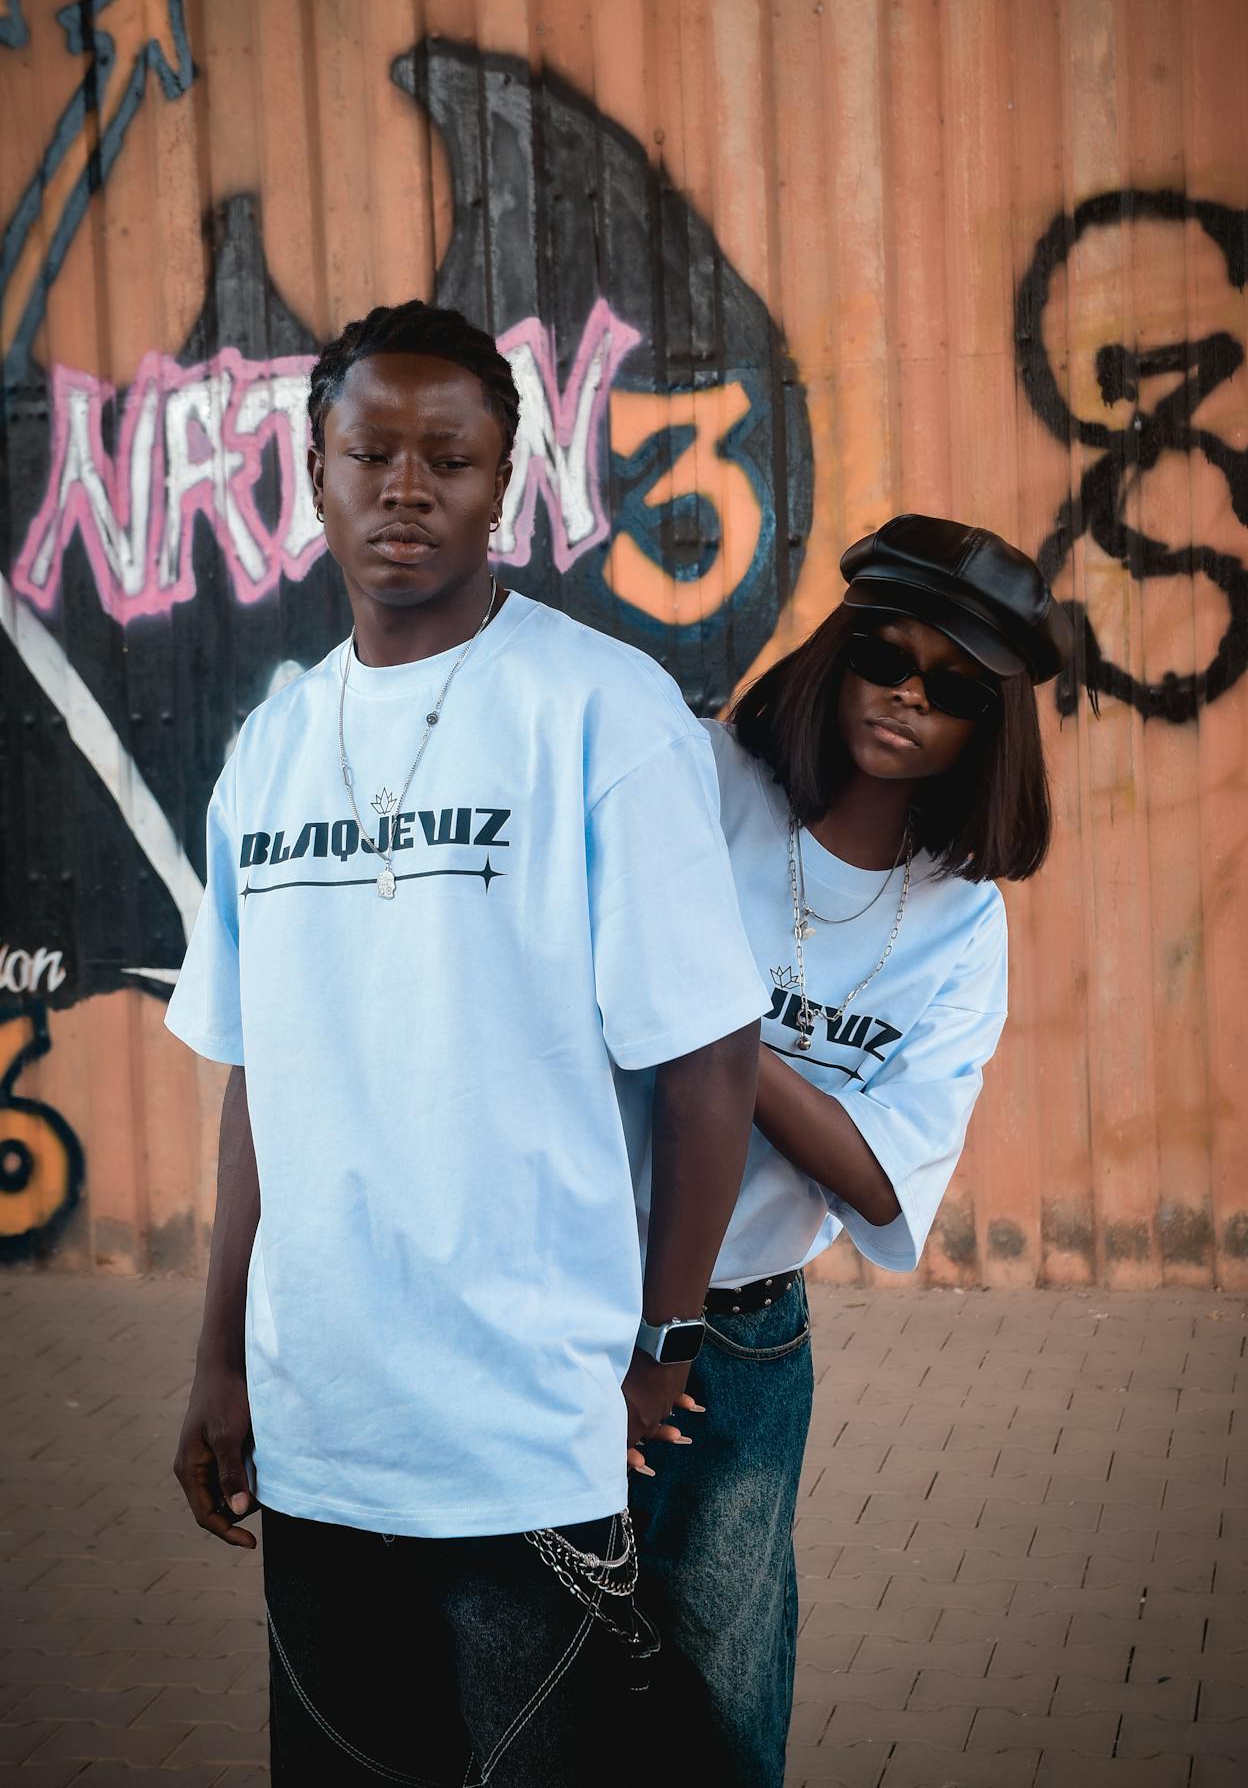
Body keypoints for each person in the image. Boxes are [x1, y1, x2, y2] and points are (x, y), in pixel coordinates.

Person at [166, 301, 767, 1785]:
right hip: (322, 1427)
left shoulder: (601, 712)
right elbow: (261, 1075)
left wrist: (664, 1341)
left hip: (525, 1425)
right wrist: (219, 1359)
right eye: (368, 451)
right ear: (313, 473)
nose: (405, 486)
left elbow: (708, 1063)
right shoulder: (272, 749)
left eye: (451, 456)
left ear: (506, 484)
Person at [619, 514, 1071, 1787]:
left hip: (745, 1335)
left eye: (951, 690)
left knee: (718, 1690)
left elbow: (882, 1177)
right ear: (836, 651)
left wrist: (718, 1034)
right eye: (885, 657)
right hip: (574, 1292)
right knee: (539, 1663)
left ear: (988, 728)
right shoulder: (706, 784)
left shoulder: (959, 920)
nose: (906, 700)